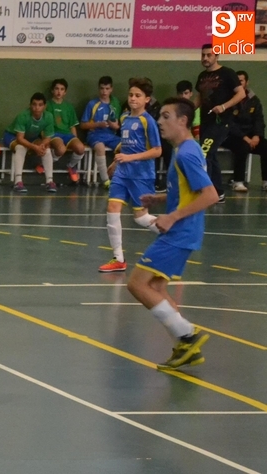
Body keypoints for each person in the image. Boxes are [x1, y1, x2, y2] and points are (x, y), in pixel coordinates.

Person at [127, 97, 218, 369]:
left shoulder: (186, 154)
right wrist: (161, 198)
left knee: (137, 284)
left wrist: (173, 216)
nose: (160, 121)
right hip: (184, 231)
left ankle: (188, 335)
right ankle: (185, 346)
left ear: (183, 121)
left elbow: (210, 195)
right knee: (156, 287)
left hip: (180, 231)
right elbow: (189, 191)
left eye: (166, 116)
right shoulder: (186, 149)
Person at [99, 78, 162, 273]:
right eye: (131, 95)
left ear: (147, 99)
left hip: (141, 175)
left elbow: (157, 150)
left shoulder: (148, 121)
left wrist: (130, 157)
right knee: (112, 208)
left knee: (141, 218)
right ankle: (118, 258)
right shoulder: (125, 118)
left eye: (138, 96)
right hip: (122, 173)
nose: (133, 98)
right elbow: (125, 143)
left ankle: (172, 234)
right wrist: (115, 161)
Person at [195, 44, 247, 203]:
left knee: (204, 152)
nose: (205, 58)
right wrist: (186, 111)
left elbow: (241, 94)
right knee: (211, 155)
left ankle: (206, 191)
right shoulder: (202, 76)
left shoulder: (227, 73)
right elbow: (199, 98)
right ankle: (218, 192)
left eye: (209, 55)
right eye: (203, 55)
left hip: (221, 122)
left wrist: (224, 106)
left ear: (216, 56)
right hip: (206, 122)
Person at [222, 71, 267, 192]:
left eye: (241, 81)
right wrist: (244, 137)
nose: (239, 83)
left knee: (265, 146)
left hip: (251, 135)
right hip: (229, 135)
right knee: (243, 147)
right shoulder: (228, 99)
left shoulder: (254, 100)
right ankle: (238, 181)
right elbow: (229, 123)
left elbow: (259, 119)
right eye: (236, 81)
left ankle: (266, 181)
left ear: (247, 82)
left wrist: (257, 136)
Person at [3, 92, 57, 193]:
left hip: (31, 137)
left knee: (46, 149)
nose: (37, 108)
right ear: (30, 105)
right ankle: (18, 182)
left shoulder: (48, 116)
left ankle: (50, 181)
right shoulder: (23, 116)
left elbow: (48, 137)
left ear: (45, 106)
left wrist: (42, 145)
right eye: (34, 104)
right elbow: (20, 139)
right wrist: (35, 147)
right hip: (12, 136)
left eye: (40, 105)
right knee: (21, 148)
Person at [80, 76, 122, 188]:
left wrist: (113, 125)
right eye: (102, 88)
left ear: (111, 89)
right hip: (95, 135)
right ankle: (105, 180)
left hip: (110, 135)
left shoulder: (115, 103)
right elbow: (83, 125)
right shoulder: (92, 104)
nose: (104, 91)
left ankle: (115, 171)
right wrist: (98, 124)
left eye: (107, 89)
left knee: (127, 147)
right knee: (100, 147)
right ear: (99, 89)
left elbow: (117, 125)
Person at [47, 78, 86, 183]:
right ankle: (45, 163)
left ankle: (71, 166)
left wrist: (75, 139)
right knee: (61, 149)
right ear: (52, 90)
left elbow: (72, 126)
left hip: (67, 135)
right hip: (54, 134)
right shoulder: (47, 105)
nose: (59, 92)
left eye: (62, 89)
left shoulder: (69, 107)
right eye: (56, 89)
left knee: (80, 148)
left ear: (65, 92)